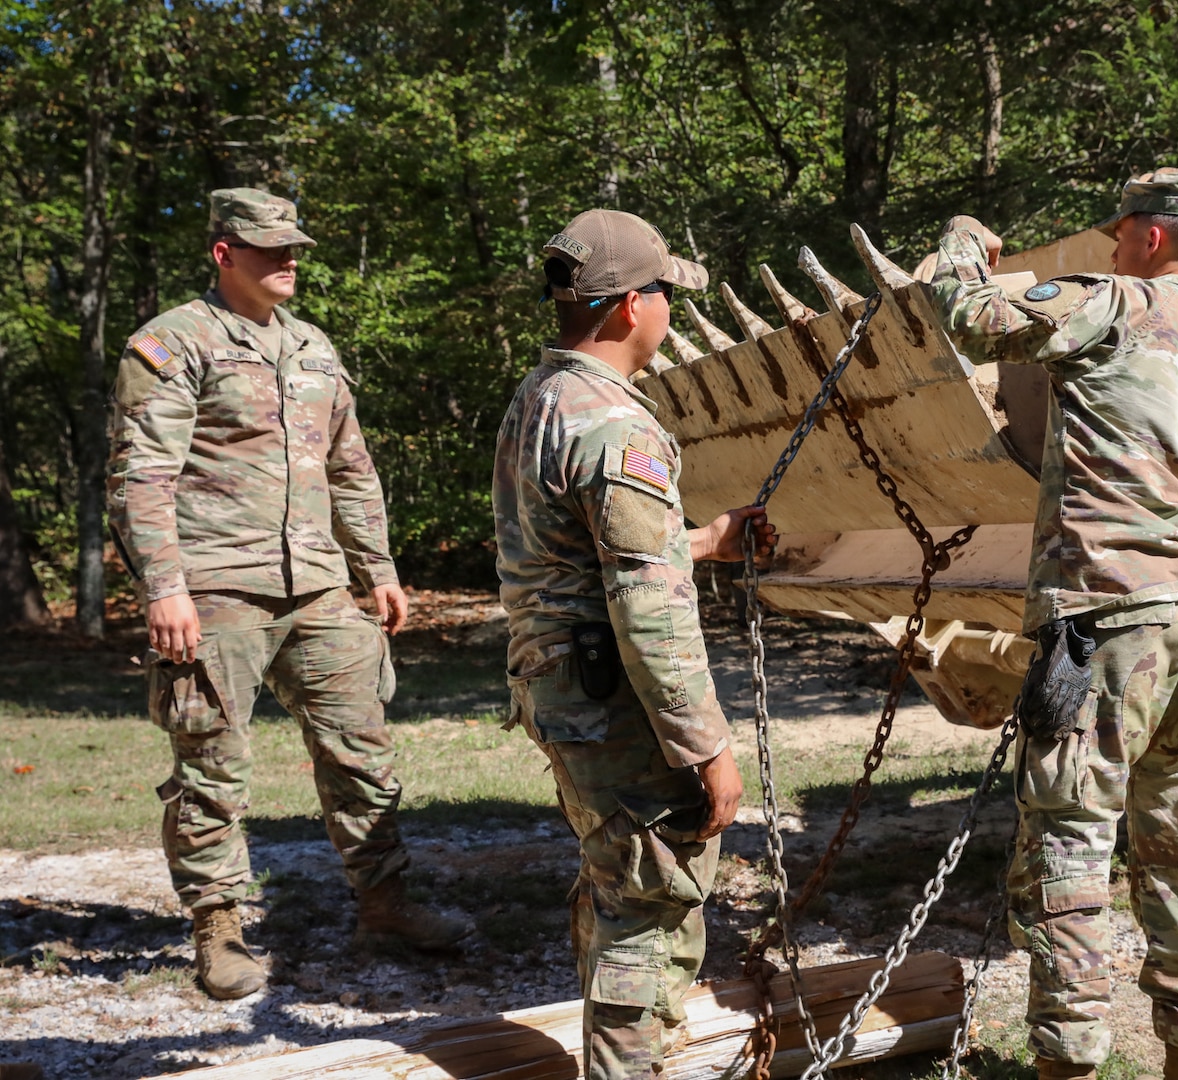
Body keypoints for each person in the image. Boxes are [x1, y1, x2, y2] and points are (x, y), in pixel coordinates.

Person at [928, 170, 1178, 1080]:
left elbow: (971, 318)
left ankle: (1069, 1061)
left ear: (1151, 237)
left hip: (1110, 631)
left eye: (1119, 233)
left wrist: (962, 242)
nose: (1111, 248)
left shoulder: (1115, 304)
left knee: (1069, 850)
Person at [107, 188, 469, 1001]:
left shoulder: (313, 348)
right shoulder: (174, 342)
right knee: (212, 764)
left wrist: (377, 570)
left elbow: (351, 466)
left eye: (294, 247)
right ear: (223, 253)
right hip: (216, 587)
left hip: (318, 587)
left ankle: (386, 905)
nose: (289, 260)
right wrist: (164, 587)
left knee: (362, 752)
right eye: (270, 249)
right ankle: (219, 930)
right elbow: (142, 476)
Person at [493, 209, 772, 1080]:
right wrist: (707, 747)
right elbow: (648, 612)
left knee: (617, 882)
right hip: (615, 702)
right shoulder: (620, 427)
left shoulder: (543, 398)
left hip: (557, 683)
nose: (668, 313)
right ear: (624, 307)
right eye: (662, 295)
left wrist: (707, 540)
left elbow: (577, 549)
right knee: (652, 905)